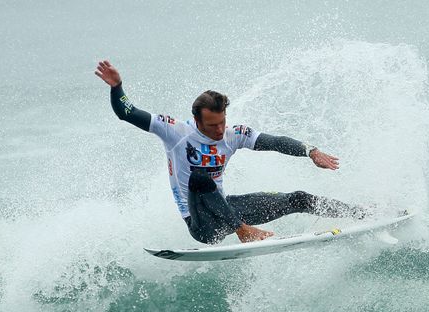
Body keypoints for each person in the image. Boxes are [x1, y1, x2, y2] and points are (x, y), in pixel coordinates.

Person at [94, 59, 363, 244]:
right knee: (200, 178)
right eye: (213, 126)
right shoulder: (175, 131)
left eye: (223, 121)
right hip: (201, 224)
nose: (220, 130)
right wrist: (117, 88)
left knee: (298, 198)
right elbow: (126, 113)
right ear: (197, 120)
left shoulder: (233, 134)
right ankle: (244, 231)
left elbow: (274, 142)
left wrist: (310, 151)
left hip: (226, 210)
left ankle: (362, 214)